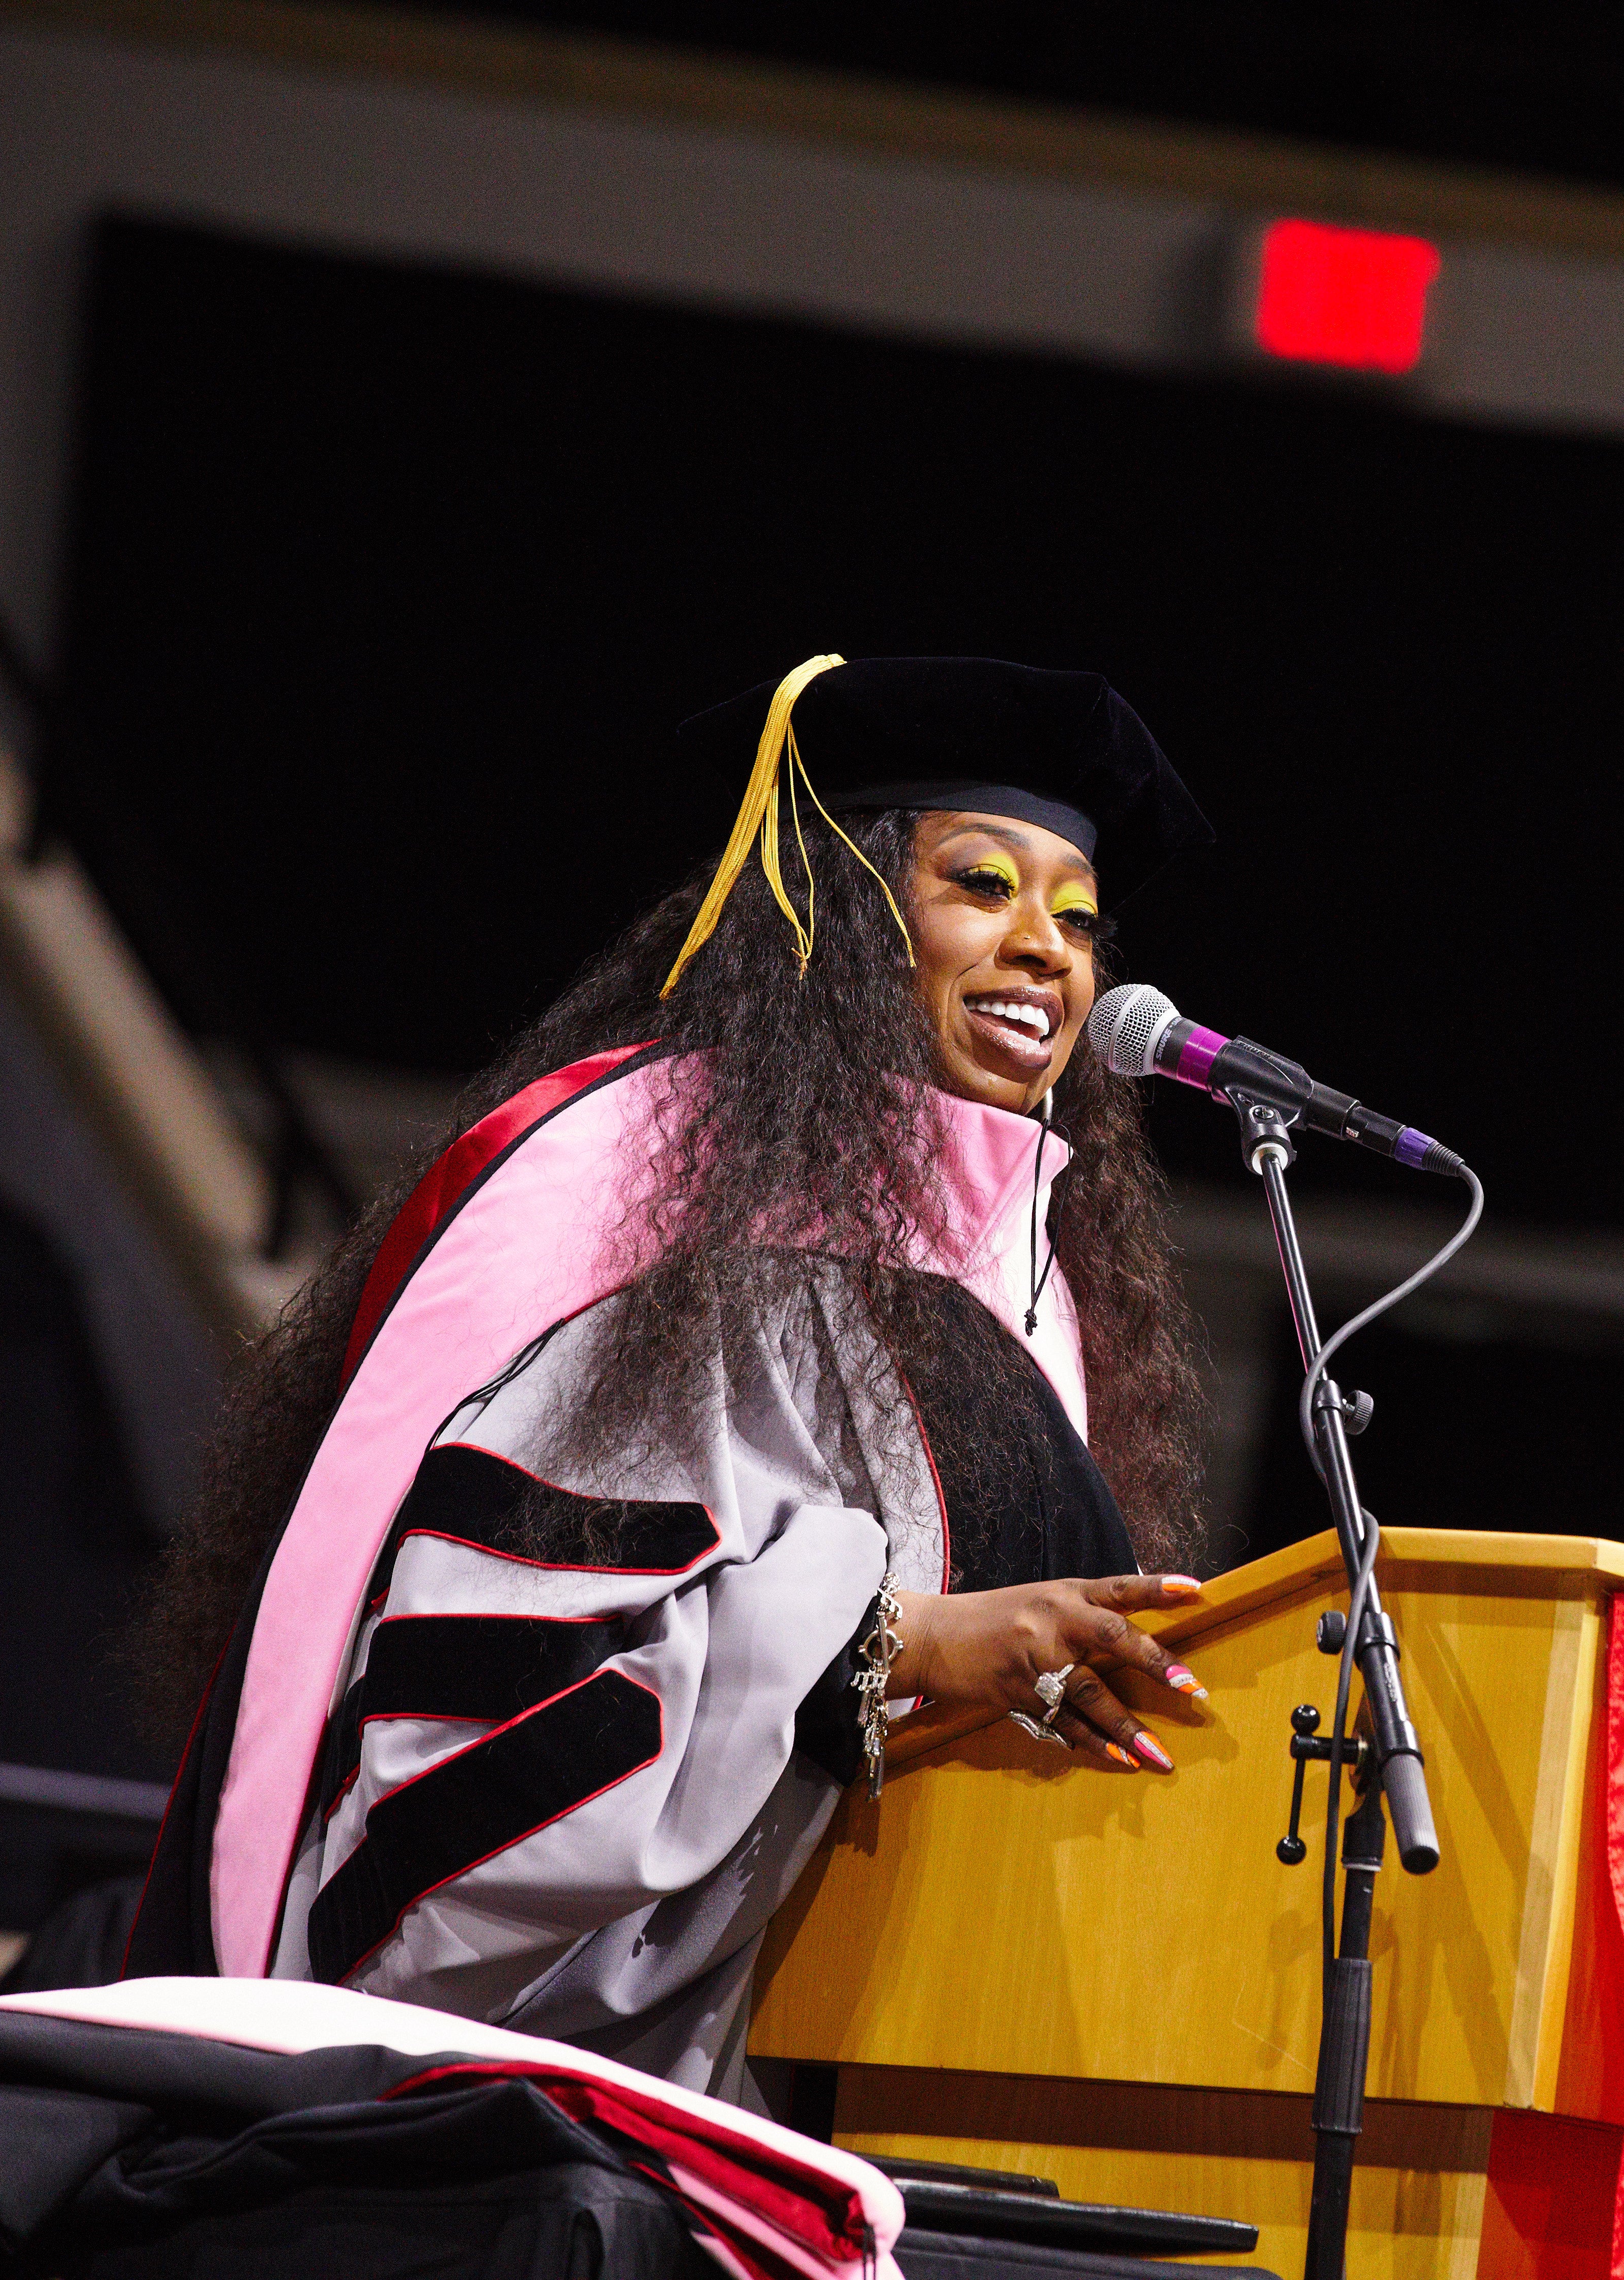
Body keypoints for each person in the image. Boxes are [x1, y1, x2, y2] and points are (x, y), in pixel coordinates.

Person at [127, 654, 1223, 2099]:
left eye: (1079, 919)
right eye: (983, 886)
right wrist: (884, 1648)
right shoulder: (658, 1237)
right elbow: (471, 1727)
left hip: (898, 2083)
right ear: (841, 919)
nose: (1049, 951)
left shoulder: (1026, 1298)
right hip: (561, 2117)